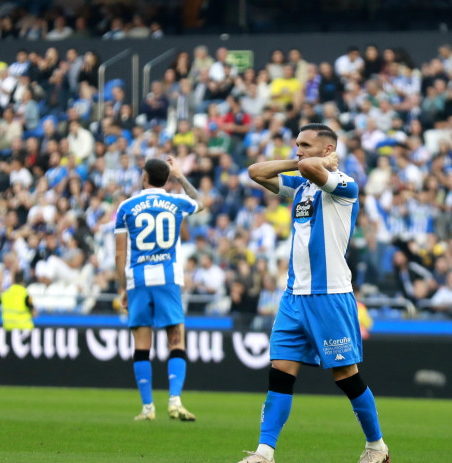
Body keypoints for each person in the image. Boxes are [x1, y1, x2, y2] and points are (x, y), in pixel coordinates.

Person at [239, 123, 388, 463]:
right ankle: (264, 453)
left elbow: (309, 166)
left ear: (327, 150)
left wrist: (317, 163)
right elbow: (254, 171)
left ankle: (376, 446)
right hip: (294, 296)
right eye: (296, 144)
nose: (298, 150)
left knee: (345, 376)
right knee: (280, 372)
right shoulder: (301, 185)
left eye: (305, 144)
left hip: (330, 296)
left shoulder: (345, 185)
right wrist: (303, 162)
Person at [114, 156, 204, 422]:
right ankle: (175, 401)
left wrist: (122, 289)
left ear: (144, 177)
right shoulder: (176, 201)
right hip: (167, 278)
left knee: (142, 345)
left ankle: (147, 408)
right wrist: (181, 176)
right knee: (176, 339)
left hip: (138, 281)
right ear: (166, 179)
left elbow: (120, 254)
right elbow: (201, 201)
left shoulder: (126, 207)